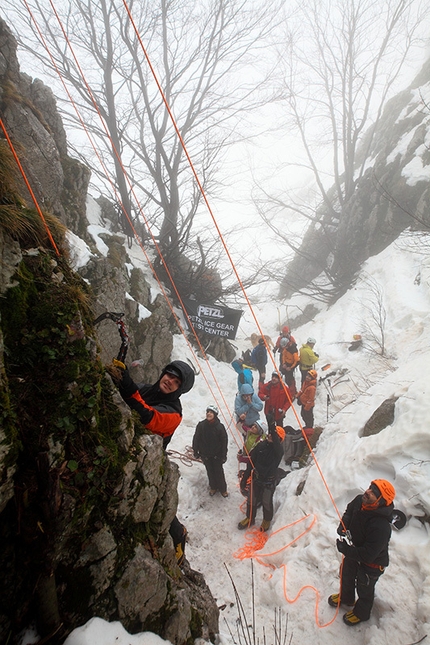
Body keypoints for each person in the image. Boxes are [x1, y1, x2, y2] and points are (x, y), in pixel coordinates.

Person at [110, 359, 195, 566]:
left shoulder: (174, 413)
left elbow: (149, 417)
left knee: (159, 505)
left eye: (176, 382)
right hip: (134, 450)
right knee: (157, 504)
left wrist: (128, 385)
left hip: (150, 461)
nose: (170, 381)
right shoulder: (148, 389)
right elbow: (129, 394)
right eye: (169, 375)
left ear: (180, 389)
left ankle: (178, 535)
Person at [328, 479, 395, 626]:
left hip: (372, 563)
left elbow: (368, 555)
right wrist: (343, 525)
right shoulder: (360, 501)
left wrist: (346, 550)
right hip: (355, 550)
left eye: (374, 493)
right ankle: (346, 597)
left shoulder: (381, 527)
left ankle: (362, 613)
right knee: (347, 573)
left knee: (364, 588)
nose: (368, 491)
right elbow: (349, 512)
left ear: (381, 501)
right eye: (370, 487)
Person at [238, 420, 284, 532]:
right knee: (251, 499)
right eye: (270, 433)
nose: (270, 436)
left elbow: (277, 446)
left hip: (269, 481)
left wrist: (272, 426)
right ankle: (250, 518)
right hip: (257, 478)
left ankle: (266, 520)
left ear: (279, 440)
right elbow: (251, 463)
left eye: (274, 435)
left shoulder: (278, 452)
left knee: (266, 501)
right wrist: (245, 479)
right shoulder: (261, 446)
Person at [192, 405, 228, 497]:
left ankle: (223, 489)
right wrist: (195, 451)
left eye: (211, 412)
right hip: (205, 454)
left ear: (215, 415)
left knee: (219, 472)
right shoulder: (201, 425)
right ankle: (213, 487)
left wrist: (224, 455)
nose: (208, 414)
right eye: (208, 412)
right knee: (210, 471)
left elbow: (224, 442)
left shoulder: (220, 427)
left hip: (217, 455)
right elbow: (196, 438)